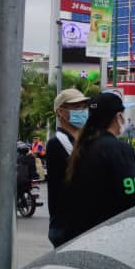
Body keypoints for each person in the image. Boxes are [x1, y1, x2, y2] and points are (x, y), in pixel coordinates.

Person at [59, 91, 135, 245]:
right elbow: (132, 198)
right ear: (117, 116)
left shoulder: (81, 147)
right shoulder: (119, 148)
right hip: (110, 236)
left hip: (81, 235)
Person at [46, 88, 90, 247]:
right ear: (61, 112)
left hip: (87, 225)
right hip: (67, 228)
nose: (83, 111)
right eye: (76, 107)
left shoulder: (87, 140)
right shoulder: (58, 143)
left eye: (84, 106)